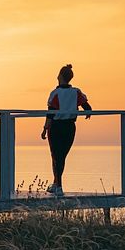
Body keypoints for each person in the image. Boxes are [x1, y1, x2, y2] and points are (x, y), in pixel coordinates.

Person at [41, 64, 91, 196]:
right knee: (62, 156)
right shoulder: (76, 92)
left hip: (56, 127)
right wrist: (87, 112)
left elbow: (50, 113)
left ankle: (58, 185)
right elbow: (87, 106)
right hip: (70, 127)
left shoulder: (55, 93)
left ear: (60, 76)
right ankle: (56, 183)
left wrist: (45, 128)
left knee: (56, 156)